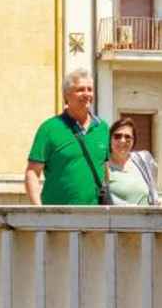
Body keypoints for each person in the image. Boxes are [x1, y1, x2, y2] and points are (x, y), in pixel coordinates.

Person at [26, 69, 111, 206]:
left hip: (95, 218)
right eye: (80, 90)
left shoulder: (103, 128)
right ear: (67, 95)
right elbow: (33, 173)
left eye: (90, 89)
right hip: (57, 218)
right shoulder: (49, 128)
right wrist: (39, 210)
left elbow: (106, 170)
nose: (87, 94)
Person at [105, 117, 160, 206]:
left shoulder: (142, 162)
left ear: (133, 141)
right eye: (117, 136)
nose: (122, 140)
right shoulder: (103, 167)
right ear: (110, 139)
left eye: (128, 137)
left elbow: (152, 192)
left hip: (146, 219)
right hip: (118, 219)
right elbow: (103, 198)